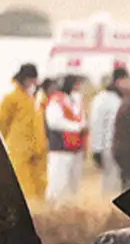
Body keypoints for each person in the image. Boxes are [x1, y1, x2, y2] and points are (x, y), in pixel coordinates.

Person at [0, 63, 48, 203]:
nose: (33, 83)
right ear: (24, 78)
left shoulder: (34, 98)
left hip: (37, 149)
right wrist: (14, 140)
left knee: (39, 185)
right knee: (23, 186)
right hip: (19, 150)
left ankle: (38, 214)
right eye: (31, 79)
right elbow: (3, 123)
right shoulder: (11, 98)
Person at [44, 75, 87, 203]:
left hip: (76, 149)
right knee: (57, 184)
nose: (78, 87)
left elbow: (81, 118)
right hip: (60, 149)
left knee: (73, 187)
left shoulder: (76, 100)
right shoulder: (55, 100)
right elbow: (54, 122)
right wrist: (76, 127)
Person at [89, 67, 130, 195]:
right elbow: (97, 125)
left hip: (123, 148)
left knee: (120, 187)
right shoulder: (102, 99)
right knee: (110, 186)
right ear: (119, 81)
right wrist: (96, 149)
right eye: (127, 81)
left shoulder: (124, 99)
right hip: (108, 149)